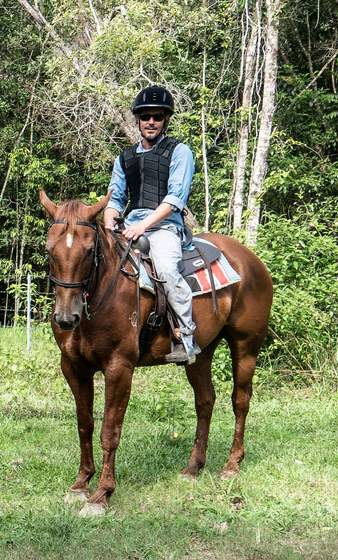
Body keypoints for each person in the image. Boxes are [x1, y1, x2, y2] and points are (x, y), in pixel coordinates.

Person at [104, 85, 199, 364]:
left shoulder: (180, 152)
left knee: (167, 270)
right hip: (129, 226)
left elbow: (174, 199)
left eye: (157, 116)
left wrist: (143, 226)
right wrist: (110, 224)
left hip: (164, 227)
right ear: (138, 119)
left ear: (165, 119)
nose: (151, 122)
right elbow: (115, 197)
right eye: (146, 116)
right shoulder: (124, 158)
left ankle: (186, 340)